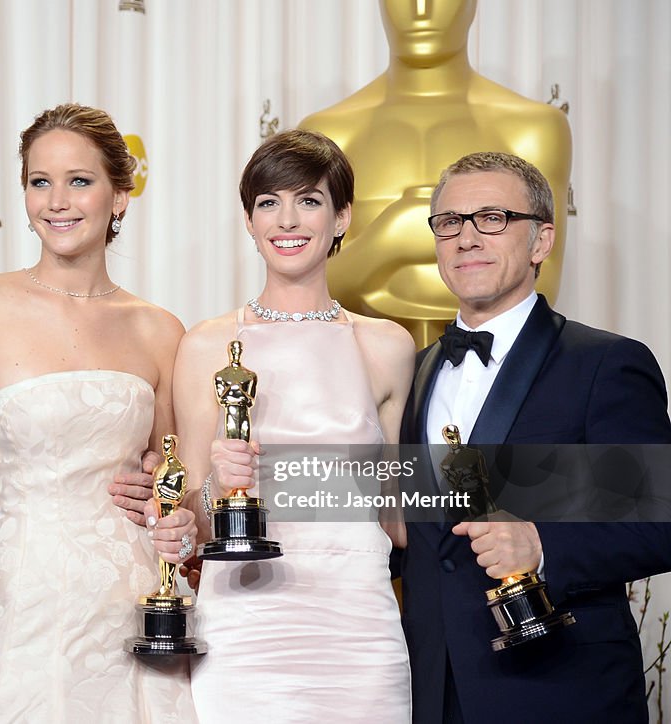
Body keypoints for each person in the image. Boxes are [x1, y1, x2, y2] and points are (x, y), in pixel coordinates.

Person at [0, 103, 197, 722]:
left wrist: (177, 512)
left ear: (120, 195)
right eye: (39, 182)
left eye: (79, 181)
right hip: (25, 596)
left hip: (132, 592)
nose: (57, 200)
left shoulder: (159, 330)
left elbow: (176, 478)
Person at [398, 151, 671, 723]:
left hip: (560, 690)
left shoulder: (605, 364)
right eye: (449, 222)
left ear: (541, 241)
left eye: (492, 218)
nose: (466, 238)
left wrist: (544, 547)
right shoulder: (415, 371)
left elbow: (660, 522)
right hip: (433, 690)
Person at [173, 129, 415, 722]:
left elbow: (397, 518)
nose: (287, 219)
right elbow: (195, 521)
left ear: (341, 218)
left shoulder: (387, 346)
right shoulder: (206, 345)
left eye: (308, 200)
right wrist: (216, 487)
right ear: (250, 221)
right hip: (245, 626)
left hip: (359, 623)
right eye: (268, 202)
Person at [299, 0, 571, 346]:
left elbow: (542, 280)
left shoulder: (533, 127)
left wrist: (373, 272)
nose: (421, 8)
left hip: (497, 366)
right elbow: (310, 285)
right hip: (359, 367)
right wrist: (392, 239)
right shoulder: (330, 131)